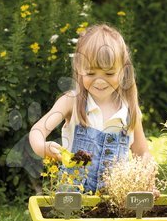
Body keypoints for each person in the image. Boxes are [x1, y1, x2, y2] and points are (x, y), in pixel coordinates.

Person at [29, 24, 153, 193]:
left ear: (123, 71)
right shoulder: (71, 102)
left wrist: (146, 181)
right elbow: (37, 131)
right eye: (91, 73)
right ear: (79, 69)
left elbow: (142, 153)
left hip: (114, 204)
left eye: (109, 74)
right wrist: (43, 147)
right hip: (72, 204)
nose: (100, 81)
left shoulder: (129, 111)